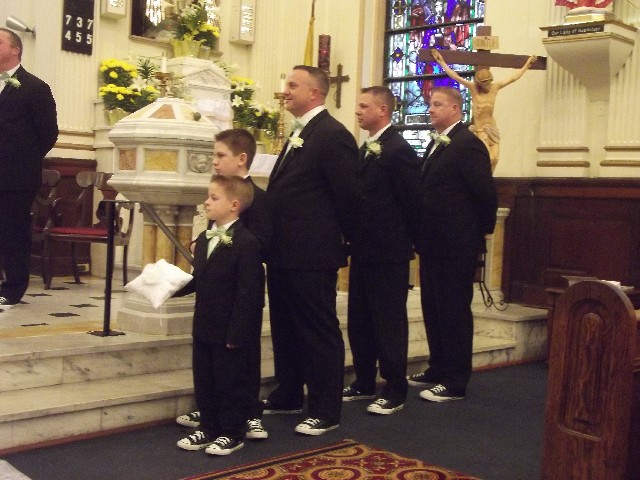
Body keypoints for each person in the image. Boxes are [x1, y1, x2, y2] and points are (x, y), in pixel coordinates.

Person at [263, 65, 362, 435]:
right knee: (285, 325)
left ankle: (325, 407)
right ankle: (289, 392)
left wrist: (341, 242)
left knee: (317, 329)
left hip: (312, 252)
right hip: (284, 250)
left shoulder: (333, 135)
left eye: (293, 85)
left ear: (315, 93)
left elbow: (349, 197)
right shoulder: (300, 132)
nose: (285, 90)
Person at [176, 128, 271, 441]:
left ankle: (245, 414)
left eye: (220, 155)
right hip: (212, 304)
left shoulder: (258, 199)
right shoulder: (217, 196)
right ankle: (212, 416)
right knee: (209, 369)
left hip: (238, 297)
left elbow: (262, 247)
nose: (214, 161)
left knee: (239, 364)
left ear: (241, 159)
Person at [411, 86, 497, 402]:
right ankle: (438, 367)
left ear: (456, 109)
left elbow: (484, 193)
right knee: (433, 308)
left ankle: (455, 381)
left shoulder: (468, 144)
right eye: (430, 104)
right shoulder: (437, 143)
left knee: (453, 311)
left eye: (438, 104)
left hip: (456, 243)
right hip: (433, 242)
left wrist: (480, 232)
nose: (431, 109)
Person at [343, 86, 420, 415]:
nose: (358, 111)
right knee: (360, 318)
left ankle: (395, 387)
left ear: (383, 111)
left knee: (388, 321)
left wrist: (403, 242)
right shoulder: (366, 147)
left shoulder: (398, 150)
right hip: (363, 249)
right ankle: (364, 380)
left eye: (364, 106)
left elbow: (412, 202)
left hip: (388, 251)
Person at [0, 28, 58, 311]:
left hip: (16, 176)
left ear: (16, 50)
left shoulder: (35, 87)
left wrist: (23, 160)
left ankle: (13, 289)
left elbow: (48, 133)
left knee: (12, 232)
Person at [430, 48, 537, 171]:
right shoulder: (473, 88)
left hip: (491, 128)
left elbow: (513, 78)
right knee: (488, 158)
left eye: (487, 82)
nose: (486, 85)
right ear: (478, 83)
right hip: (479, 129)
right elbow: (455, 76)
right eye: (483, 83)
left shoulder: (495, 87)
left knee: (495, 159)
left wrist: (527, 64)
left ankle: (491, 179)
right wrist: (441, 61)